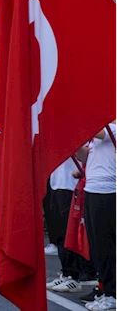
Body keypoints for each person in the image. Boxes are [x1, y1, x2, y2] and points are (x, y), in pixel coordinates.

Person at [76, 125, 116, 310]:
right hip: (92, 189)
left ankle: (113, 294)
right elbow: (85, 156)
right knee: (97, 246)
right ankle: (107, 290)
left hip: (108, 192)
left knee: (106, 245)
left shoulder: (112, 128)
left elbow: (92, 127)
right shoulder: (98, 134)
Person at [44, 157, 97, 294]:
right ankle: (66, 272)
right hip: (57, 183)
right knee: (59, 232)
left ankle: (75, 275)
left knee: (69, 232)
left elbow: (83, 155)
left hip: (70, 185)